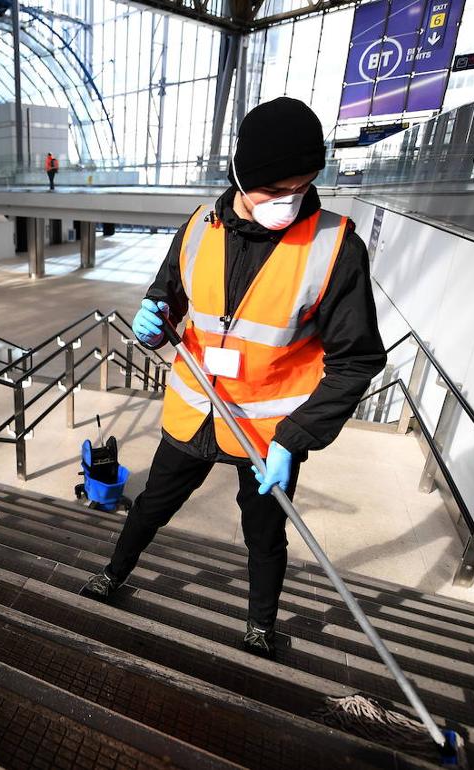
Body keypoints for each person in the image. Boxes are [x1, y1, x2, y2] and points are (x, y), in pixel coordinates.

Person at [79, 97, 386, 660]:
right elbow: (166, 299)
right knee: (151, 506)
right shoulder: (199, 227)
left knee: (265, 536)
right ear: (241, 176)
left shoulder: (336, 248)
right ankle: (114, 572)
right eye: (274, 190)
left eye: (302, 187)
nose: (288, 202)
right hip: (194, 412)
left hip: (269, 435)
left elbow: (357, 360)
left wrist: (296, 440)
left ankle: (260, 626)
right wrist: (152, 322)